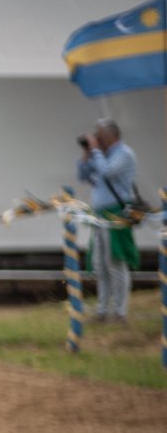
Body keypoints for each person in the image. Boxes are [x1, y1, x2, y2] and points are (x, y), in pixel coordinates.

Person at [77, 118, 139, 323]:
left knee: (116, 262)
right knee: (100, 263)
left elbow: (107, 171)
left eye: (99, 134)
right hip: (99, 216)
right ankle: (102, 310)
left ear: (111, 135)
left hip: (117, 215)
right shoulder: (99, 155)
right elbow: (82, 174)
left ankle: (120, 312)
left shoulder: (124, 154)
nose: (96, 138)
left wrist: (95, 151)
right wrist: (87, 153)